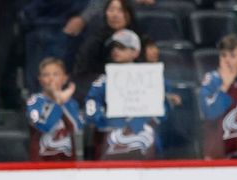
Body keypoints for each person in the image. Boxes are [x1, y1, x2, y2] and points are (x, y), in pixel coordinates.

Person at [84, 29, 164, 160]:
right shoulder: (104, 79)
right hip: (113, 137)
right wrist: (103, 120)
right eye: (114, 47)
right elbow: (91, 104)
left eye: (121, 47)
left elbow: (161, 112)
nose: (115, 51)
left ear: (135, 52)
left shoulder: (150, 77)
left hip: (145, 136)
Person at [26, 57, 84, 161]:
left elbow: (76, 127)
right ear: (40, 79)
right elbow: (44, 126)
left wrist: (63, 102)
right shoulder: (34, 101)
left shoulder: (71, 103)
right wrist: (57, 101)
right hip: (41, 162)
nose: (51, 78)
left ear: (65, 78)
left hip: (68, 163)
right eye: (46, 75)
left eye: (55, 74)